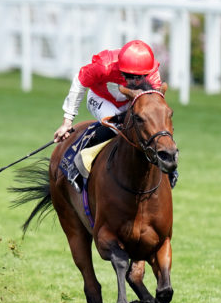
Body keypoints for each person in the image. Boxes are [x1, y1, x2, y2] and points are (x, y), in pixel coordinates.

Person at [52, 39, 177, 191]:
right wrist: (67, 121)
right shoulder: (104, 65)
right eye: (129, 76)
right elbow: (79, 82)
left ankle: (169, 166)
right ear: (120, 68)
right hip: (100, 98)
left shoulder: (151, 73)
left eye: (139, 77)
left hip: (130, 102)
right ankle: (74, 162)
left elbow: (153, 108)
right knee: (116, 127)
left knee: (148, 126)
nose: (134, 82)